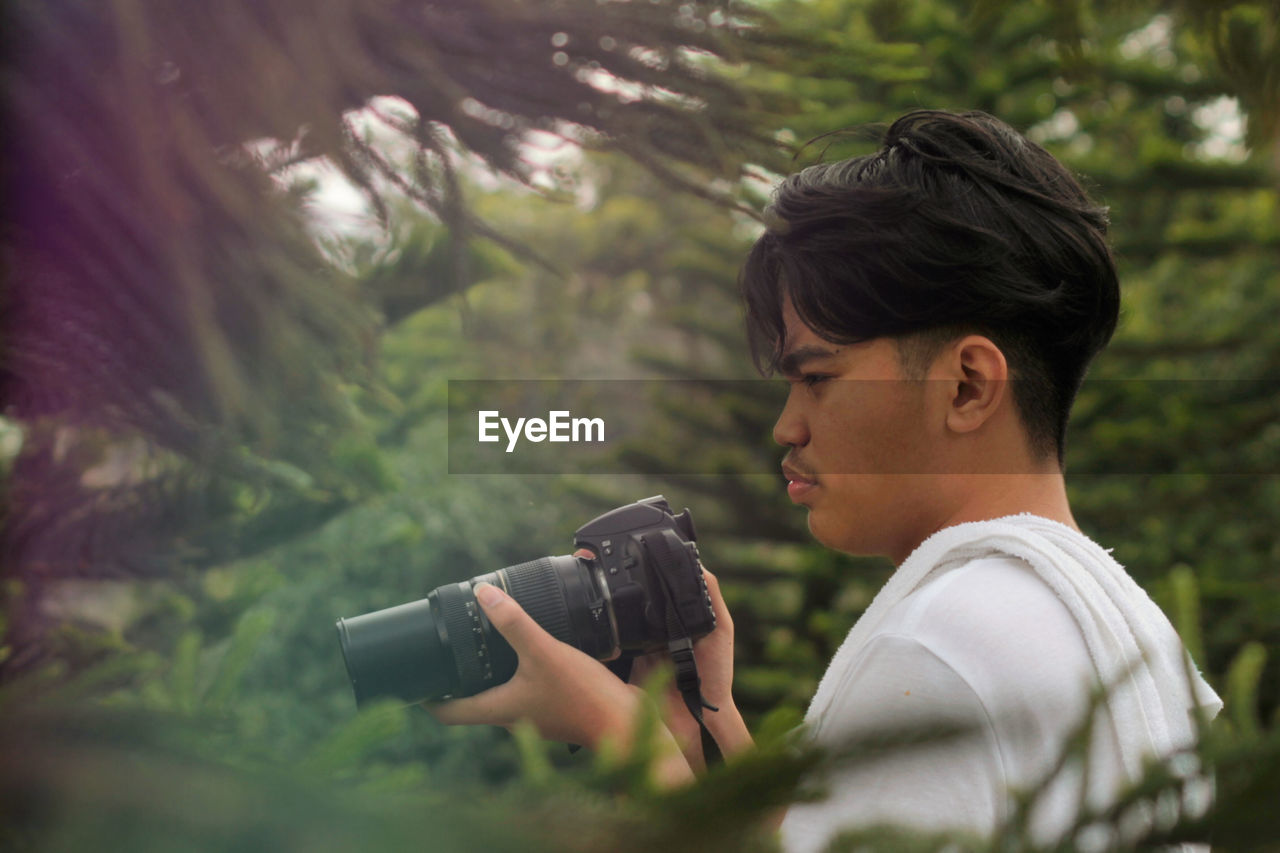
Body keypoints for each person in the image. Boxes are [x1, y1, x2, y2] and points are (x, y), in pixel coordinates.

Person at [429, 110, 1222, 848]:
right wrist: (700, 732)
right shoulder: (1116, 625)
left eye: (817, 377)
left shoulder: (945, 642)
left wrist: (633, 749)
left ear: (968, 385)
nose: (787, 425)